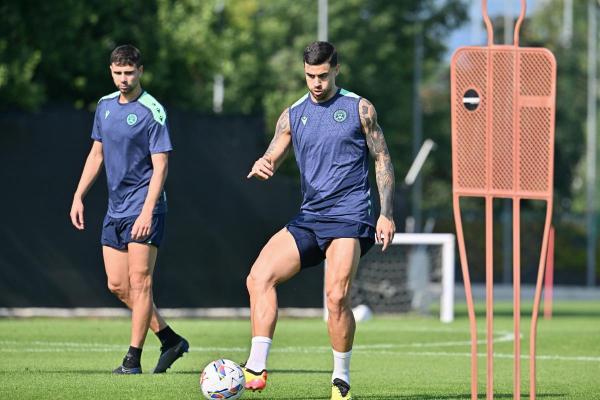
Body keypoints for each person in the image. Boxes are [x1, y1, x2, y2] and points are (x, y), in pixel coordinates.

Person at [244, 41, 395, 400]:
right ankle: (256, 365)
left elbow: (383, 158)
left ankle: (340, 380)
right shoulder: (292, 114)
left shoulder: (360, 108)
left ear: (336, 70)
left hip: (351, 216)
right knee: (258, 277)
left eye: (323, 75)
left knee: (335, 297)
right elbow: (273, 154)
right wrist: (263, 163)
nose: (316, 83)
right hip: (311, 217)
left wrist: (386, 213)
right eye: (310, 75)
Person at [69, 45, 188, 374]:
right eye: (118, 73)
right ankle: (169, 338)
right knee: (117, 286)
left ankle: (132, 359)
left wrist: (148, 210)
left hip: (144, 208)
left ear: (140, 71)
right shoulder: (105, 107)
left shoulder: (152, 111)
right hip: (115, 210)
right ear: (111, 71)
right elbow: (97, 154)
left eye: (130, 73)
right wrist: (79, 195)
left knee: (140, 283)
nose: (124, 78)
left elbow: (161, 166)